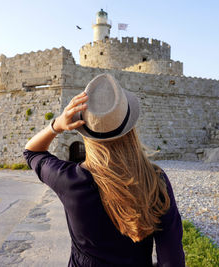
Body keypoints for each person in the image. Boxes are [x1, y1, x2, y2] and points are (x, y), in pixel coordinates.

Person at [24, 74, 185, 266]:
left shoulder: (69, 180)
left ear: (85, 131)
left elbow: (31, 152)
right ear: (130, 128)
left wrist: (56, 125)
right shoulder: (155, 180)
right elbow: (172, 259)